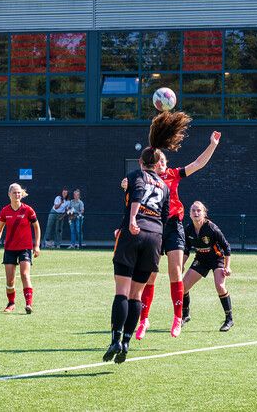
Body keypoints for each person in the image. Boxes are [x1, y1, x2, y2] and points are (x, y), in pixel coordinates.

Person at [122, 116, 221, 339]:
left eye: (164, 160)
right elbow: (134, 180)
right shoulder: (145, 178)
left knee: (175, 272)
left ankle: (177, 317)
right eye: (159, 160)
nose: (163, 163)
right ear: (153, 162)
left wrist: (212, 145)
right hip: (154, 227)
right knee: (149, 276)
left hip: (174, 226)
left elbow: (197, 164)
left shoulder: (173, 174)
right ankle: (144, 320)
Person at [103, 146, 172, 364]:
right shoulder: (164, 185)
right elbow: (165, 215)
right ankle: (126, 341)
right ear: (157, 163)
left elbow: (138, 193)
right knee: (136, 295)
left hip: (134, 233)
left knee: (122, 293)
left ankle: (115, 339)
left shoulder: (136, 175)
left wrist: (132, 219)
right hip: (154, 237)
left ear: (141, 162)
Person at [180, 201, 234, 332]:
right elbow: (186, 250)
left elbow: (226, 247)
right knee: (183, 287)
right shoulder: (188, 229)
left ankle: (229, 319)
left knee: (220, 286)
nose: (196, 213)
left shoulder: (211, 228)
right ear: (190, 213)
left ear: (204, 213)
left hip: (217, 259)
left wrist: (227, 267)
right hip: (201, 259)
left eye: (199, 210)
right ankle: (185, 315)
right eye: (193, 210)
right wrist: (181, 264)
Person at [0, 183, 41, 314]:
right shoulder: (5, 211)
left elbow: (37, 227)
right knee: (10, 280)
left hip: (25, 247)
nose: (17, 195)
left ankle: (29, 304)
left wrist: (36, 245)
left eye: (19, 192)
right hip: (10, 248)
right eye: (14, 193)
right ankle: (11, 303)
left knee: (25, 274)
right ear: (9, 194)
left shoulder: (28, 210)